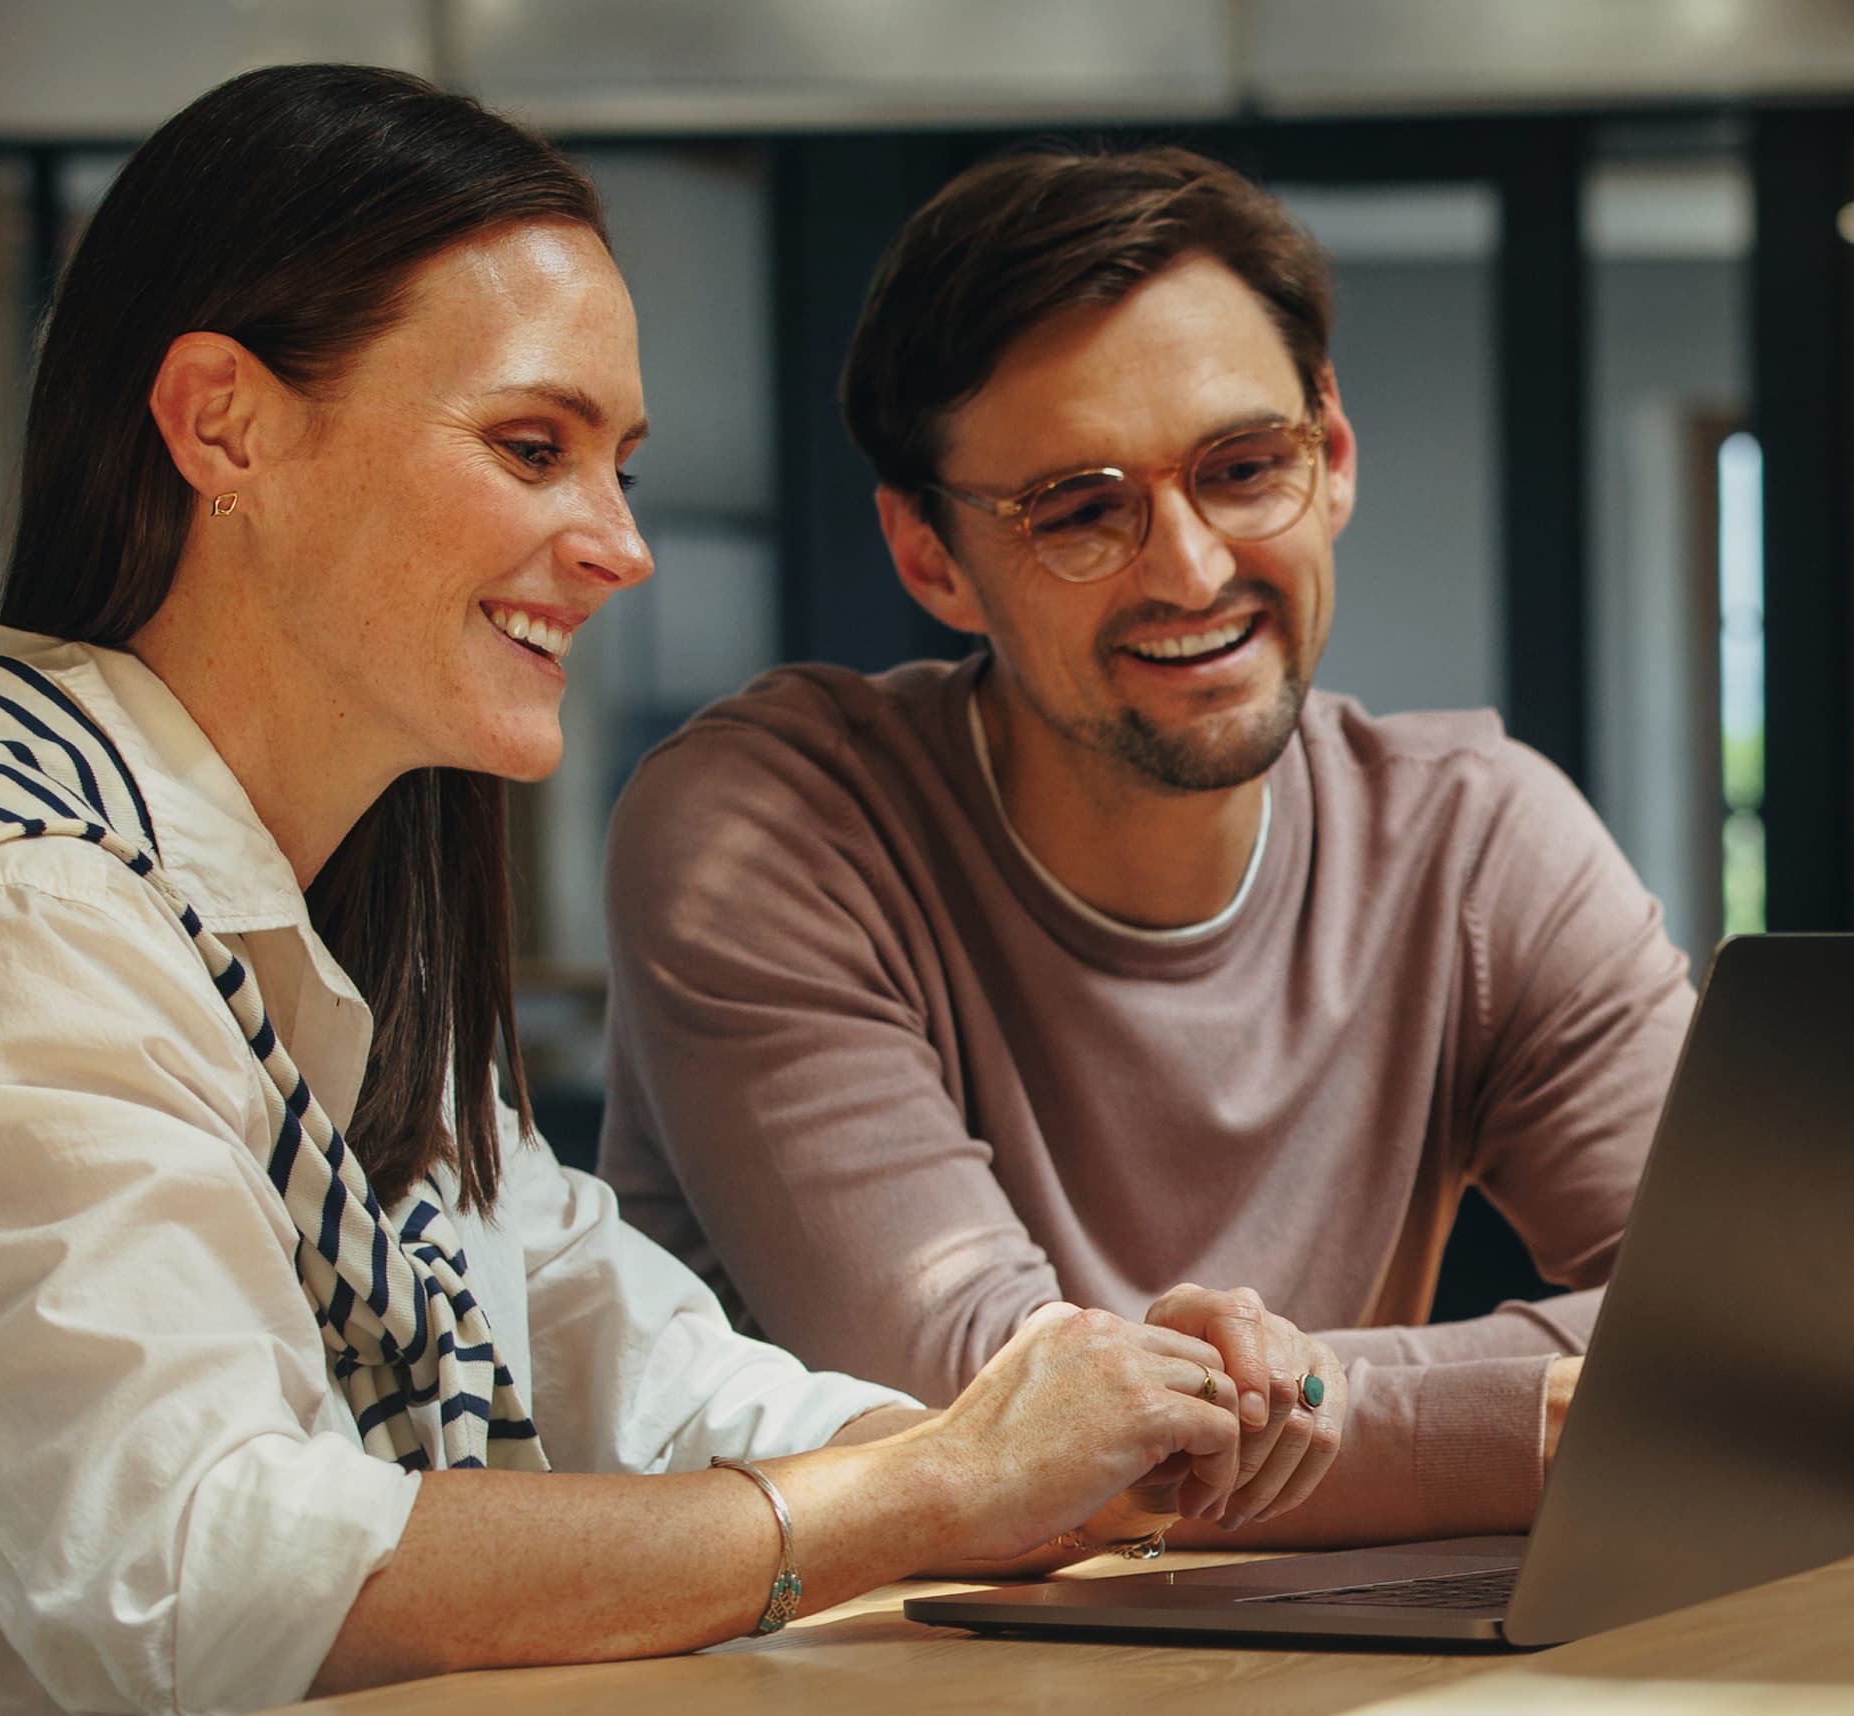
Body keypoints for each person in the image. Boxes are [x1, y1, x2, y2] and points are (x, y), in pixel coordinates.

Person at [0, 71, 1285, 1716]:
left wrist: (1014, 1449)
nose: (623, 545)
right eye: (531, 448)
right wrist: (924, 1495)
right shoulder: (3, 909)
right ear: (224, 426)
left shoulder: (309, 913)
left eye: (622, 465)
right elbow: (207, 1575)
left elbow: (617, 1351)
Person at [597, 146, 1701, 1550]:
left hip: (1259, 1656)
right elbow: (1002, 1431)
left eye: (1245, 470)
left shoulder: (1477, 839)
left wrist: (1330, 1407)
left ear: (1334, 457)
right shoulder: (768, 832)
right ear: (930, 556)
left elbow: (1745, 1320)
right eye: (1079, 511)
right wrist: (1541, 1416)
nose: (1190, 569)